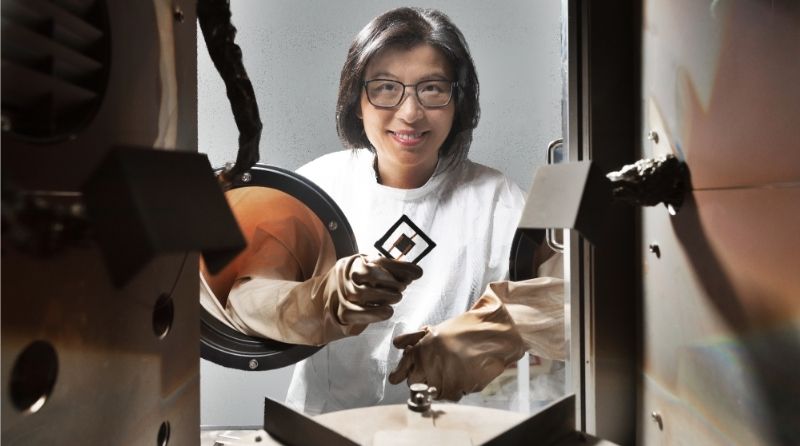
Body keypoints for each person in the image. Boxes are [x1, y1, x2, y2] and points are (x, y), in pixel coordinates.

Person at [283, 7, 565, 414]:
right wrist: (316, 298)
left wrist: (503, 326)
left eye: (432, 89)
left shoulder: (497, 200)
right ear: (356, 100)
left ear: (458, 101)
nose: (410, 113)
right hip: (324, 430)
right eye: (385, 88)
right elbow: (237, 299)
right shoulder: (315, 189)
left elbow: (575, 304)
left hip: (458, 433)